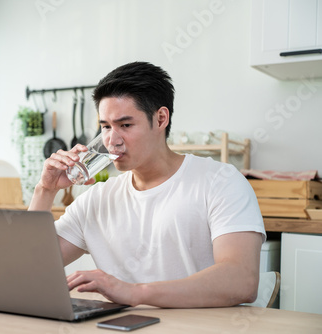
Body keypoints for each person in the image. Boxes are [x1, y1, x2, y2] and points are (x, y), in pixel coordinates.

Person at [28, 61, 266, 308]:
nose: (112, 141)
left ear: (161, 119)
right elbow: (32, 265)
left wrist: (134, 293)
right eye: (106, 127)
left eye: (125, 125)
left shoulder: (220, 181)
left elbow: (242, 281)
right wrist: (45, 189)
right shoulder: (97, 200)